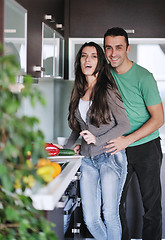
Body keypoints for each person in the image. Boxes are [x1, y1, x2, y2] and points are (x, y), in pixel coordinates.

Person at [63, 41, 130, 240]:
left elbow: (124, 125)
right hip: (87, 160)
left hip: (110, 157)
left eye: (93, 56)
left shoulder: (108, 90)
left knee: (109, 214)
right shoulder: (79, 90)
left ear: (100, 61)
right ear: (79, 61)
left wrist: (97, 139)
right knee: (90, 218)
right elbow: (77, 128)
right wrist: (65, 152)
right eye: (84, 55)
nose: (88, 60)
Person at [103, 27, 164, 240]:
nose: (113, 53)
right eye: (109, 48)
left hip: (146, 147)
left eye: (118, 47)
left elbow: (159, 119)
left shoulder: (144, 77)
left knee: (151, 207)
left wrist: (127, 140)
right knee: (114, 205)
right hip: (117, 148)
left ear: (127, 48)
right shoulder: (104, 76)